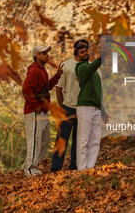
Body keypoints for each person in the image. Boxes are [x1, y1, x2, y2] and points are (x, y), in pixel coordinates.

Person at [21, 45, 63, 176]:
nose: (47, 55)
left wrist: (57, 76)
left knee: (45, 138)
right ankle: (29, 168)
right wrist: (35, 105)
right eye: (44, 53)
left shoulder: (42, 70)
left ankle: (30, 164)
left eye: (47, 53)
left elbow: (46, 88)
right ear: (37, 55)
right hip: (34, 111)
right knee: (35, 138)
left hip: (43, 110)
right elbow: (26, 89)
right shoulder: (34, 70)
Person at [50, 39, 90, 173]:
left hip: (83, 108)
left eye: (87, 49)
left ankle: (74, 167)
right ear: (76, 51)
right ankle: (55, 168)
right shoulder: (66, 65)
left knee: (79, 141)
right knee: (62, 139)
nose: (86, 52)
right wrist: (61, 107)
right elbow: (59, 88)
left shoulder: (92, 67)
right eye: (82, 49)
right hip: (67, 107)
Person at [75, 44, 110, 171]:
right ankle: (81, 169)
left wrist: (103, 111)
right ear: (77, 57)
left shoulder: (95, 72)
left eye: (86, 51)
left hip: (96, 108)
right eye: (82, 52)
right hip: (85, 107)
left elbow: (98, 92)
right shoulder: (80, 67)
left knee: (95, 140)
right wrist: (101, 58)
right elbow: (89, 69)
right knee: (83, 139)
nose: (85, 53)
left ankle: (90, 167)